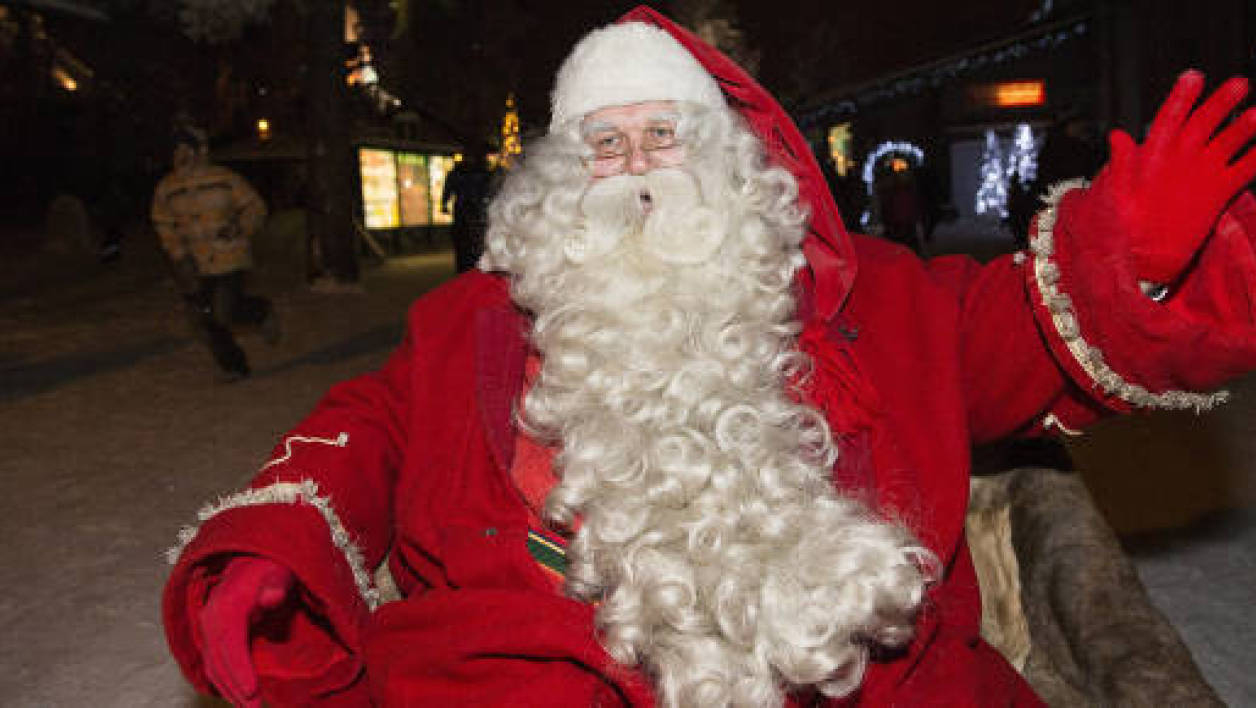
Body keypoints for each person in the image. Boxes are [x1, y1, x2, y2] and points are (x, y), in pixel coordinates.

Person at [162, 7, 1256, 706]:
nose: (636, 170)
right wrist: (277, 543)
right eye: (605, 142)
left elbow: (1014, 331)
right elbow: (372, 423)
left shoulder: (866, 296)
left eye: (664, 135)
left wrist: (1122, 260)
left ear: (733, 158)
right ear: (558, 175)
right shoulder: (471, 322)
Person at [151, 125, 278, 380]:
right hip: (196, 262)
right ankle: (234, 366)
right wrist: (178, 254)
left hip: (229, 255)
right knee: (206, 317)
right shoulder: (167, 188)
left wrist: (239, 227)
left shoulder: (223, 179)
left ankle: (261, 311)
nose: (182, 154)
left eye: (187, 148)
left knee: (225, 310)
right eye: (177, 149)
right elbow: (163, 224)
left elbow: (255, 206)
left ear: (200, 150)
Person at [440, 146, 494, 272]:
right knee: (465, 241)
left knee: (472, 241)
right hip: (467, 210)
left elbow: (490, 190)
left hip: (474, 210)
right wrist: (444, 202)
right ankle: (467, 267)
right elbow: (449, 188)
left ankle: (470, 266)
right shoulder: (465, 172)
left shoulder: (481, 172)